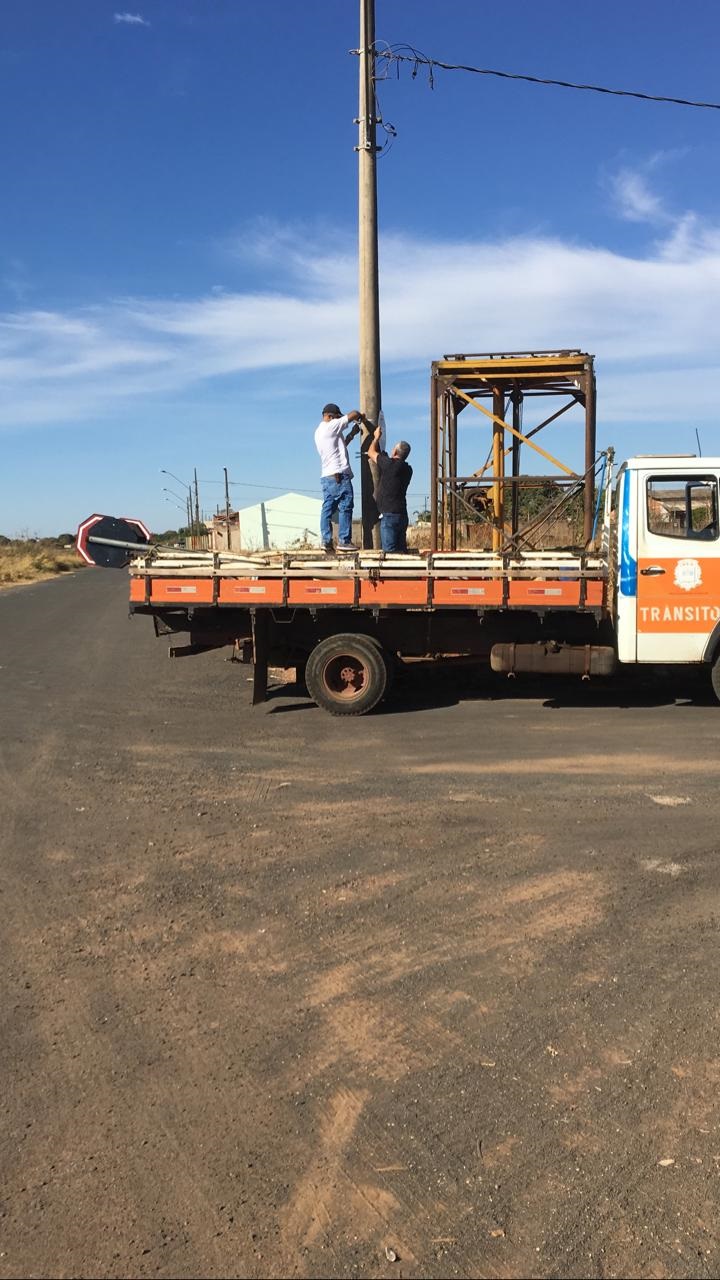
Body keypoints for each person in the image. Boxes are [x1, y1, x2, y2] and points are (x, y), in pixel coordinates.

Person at [314, 403, 364, 553]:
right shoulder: (331, 426)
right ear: (330, 416)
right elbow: (354, 413)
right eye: (336, 417)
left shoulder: (319, 431)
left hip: (327, 476)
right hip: (339, 475)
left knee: (327, 508)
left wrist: (352, 435)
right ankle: (344, 540)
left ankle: (326, 540)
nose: (338, 420)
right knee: (346, 506)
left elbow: (339, 447)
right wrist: (360, 417)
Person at [368, 426, 413, 553]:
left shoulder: (389, 464)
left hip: (389, 515)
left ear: (394, 452)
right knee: (401, 552)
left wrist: (376, 438)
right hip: (402, 514)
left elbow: (371, 452)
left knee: (390, 554)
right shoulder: (408, 469)